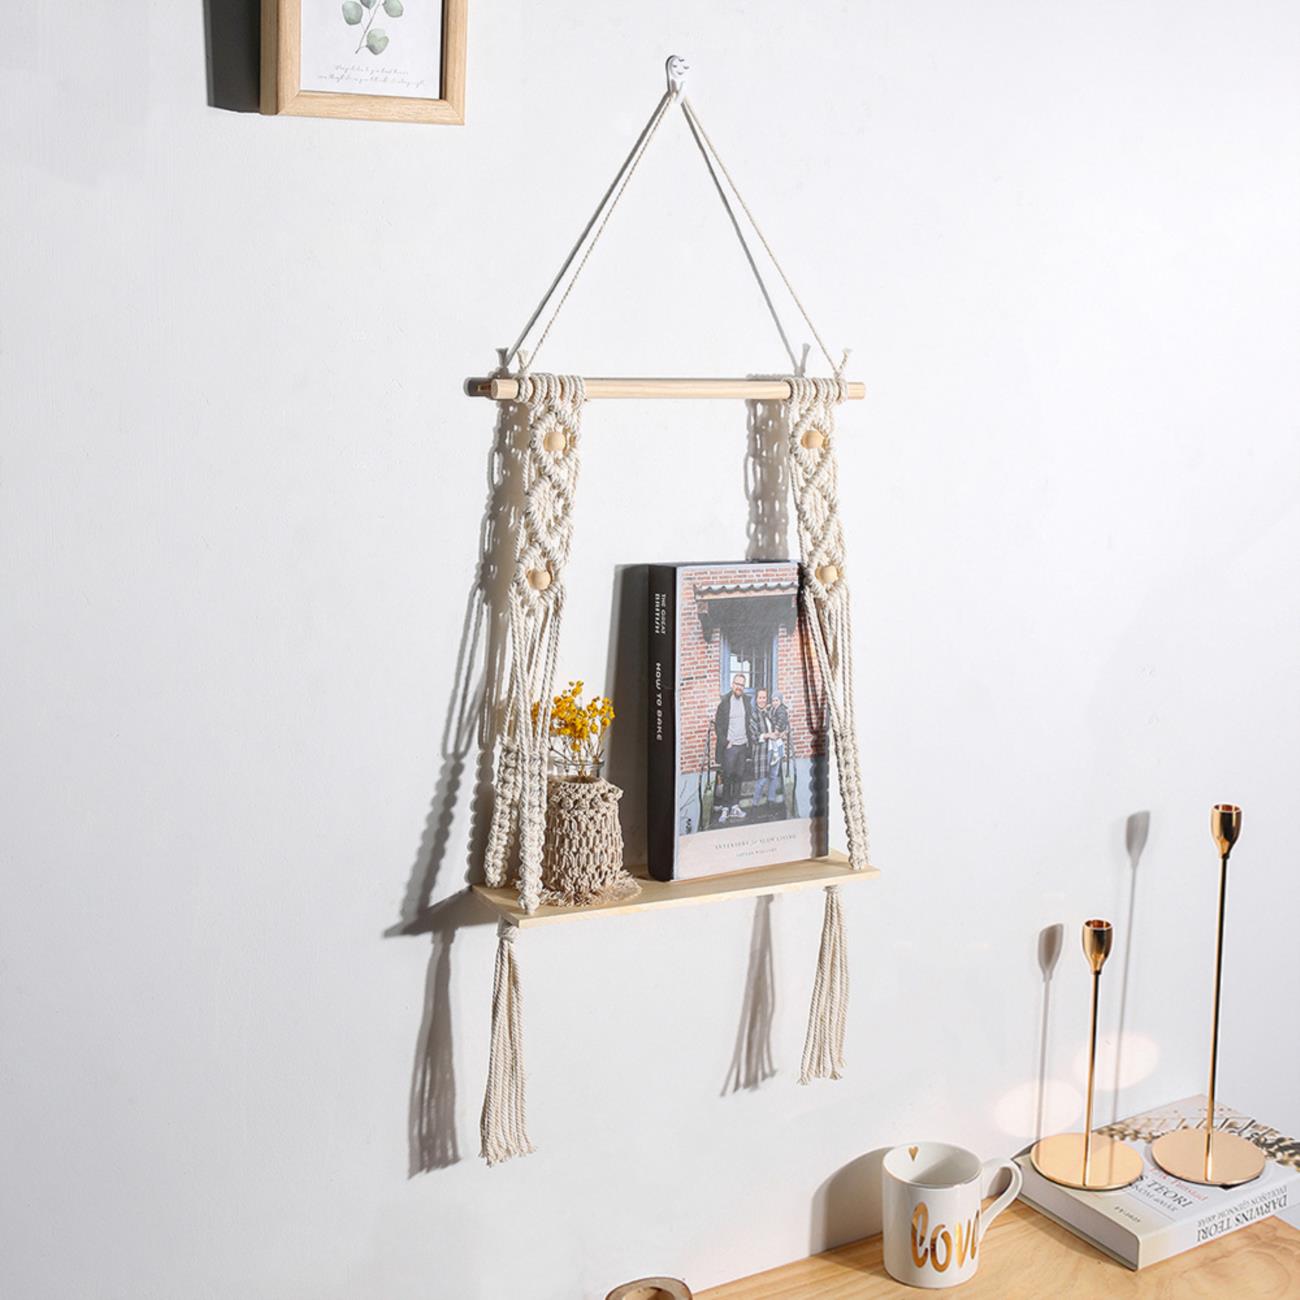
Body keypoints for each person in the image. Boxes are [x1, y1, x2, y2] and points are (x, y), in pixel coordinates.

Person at [713, 673, 757, 823]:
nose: (739, 687)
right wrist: (726, 742)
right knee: (728, 776)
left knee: (739, 776)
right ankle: (725, 808)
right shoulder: (724, 703)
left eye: (742, 685)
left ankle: (735, 806)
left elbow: (750, 722)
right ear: (732, 685)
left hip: (743, 745)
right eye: (737, 684)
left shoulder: (746, 702)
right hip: (730, 747)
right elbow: (718, 726)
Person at [751, 688, 789, 810]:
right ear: (756, 699)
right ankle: (754, 804)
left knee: (773, 776)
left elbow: (782, 722)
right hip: (763, 751)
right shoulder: (753, 715)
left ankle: (771, 801)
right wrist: (768, 735)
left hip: (775, 747)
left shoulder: (771, 711)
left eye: (764, 698)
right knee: (762, 780)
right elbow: (754, 736)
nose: (762, 700)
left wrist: (783, 732)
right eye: (760, 698)